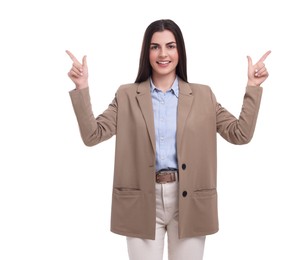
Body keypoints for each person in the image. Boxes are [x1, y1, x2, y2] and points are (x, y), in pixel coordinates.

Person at [66, 19, 271, 260]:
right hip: (141, 199)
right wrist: (82, 87)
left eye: (170, 46)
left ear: (180, 51)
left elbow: (240, 134)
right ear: (147, 52)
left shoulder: (203, 95)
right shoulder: (127, 95)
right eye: (155, 47)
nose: (163, 54)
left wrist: (253, 87)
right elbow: (93, 135)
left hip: (189, 199)